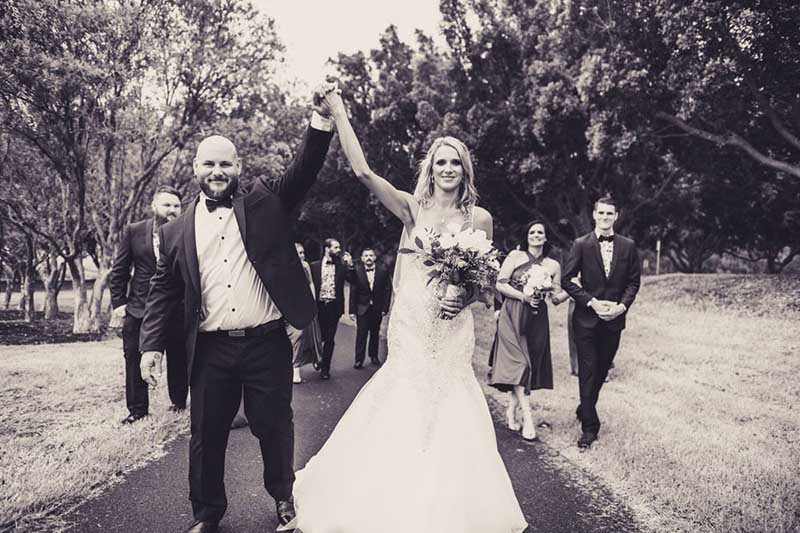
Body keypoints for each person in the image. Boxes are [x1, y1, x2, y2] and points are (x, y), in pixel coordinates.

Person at [285, 89, 527, 533]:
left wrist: (466, 297)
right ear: (430, 170)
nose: (448, 169)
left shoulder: (481, 220)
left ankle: (451, 509)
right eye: (441, 162)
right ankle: (388, 501)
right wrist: (337, 111)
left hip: (453, 329)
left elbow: (485, 284)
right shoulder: (412, 210)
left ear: (465, 170)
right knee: (405, 399)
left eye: (456, 162)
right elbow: (362, 172)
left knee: (451, 404)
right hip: (413, 324)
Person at [137, 82, 337, 533]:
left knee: (274, 427)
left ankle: (284, 498)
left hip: (265, 342)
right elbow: (163, 289)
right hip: (209, 350)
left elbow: (303, 171)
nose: (217, 170)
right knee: (206, 435)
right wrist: (150, 345)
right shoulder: (175, 232)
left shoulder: (265, 201)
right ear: (195, 168)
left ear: (238, 166)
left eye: (225, 163)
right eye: (209, 163)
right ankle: (207, 514)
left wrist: (321, 120)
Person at [561, 196, 641, 449]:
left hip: (614, 321)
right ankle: (589, 427)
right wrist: (592, 303)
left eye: (610, 214)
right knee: (587, 369)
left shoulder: (628, 246)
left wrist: (621, 307)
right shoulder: (580, 244)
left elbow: (633, 282)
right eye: (601, 213)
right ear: (594, 215)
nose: (605, 218)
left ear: (616, 216)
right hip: (586, 320)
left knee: (602, 370)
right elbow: (567, 280)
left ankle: (584, 406)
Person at [109, 185, 188, 424]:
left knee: (179, 357)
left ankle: (178, 402)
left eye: (176, 206)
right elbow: (119, 270)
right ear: (154, 206)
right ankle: (137, 411)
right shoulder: (134, 231)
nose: (171, 210)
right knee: (133, 358)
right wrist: (118, 303)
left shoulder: (187, 231)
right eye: (166, 205)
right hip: (139, 308)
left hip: (177, 308)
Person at [490, 221, 568, 441]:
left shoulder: (553, 265)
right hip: (512, 314)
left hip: (536, 319)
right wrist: (522, 296)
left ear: (545, 237)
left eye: (540, 232)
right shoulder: (514, 257)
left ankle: (511, 408)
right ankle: (528, 418)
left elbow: (556, 297)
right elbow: (500, 284)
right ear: (526, 236)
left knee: (528, 366)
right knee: (520, 363)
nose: (536, 235)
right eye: (532, 232)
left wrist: (573, 290)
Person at [309, 238, 353, 380]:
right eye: (336, 247)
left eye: (339, 247)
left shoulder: (341, 266)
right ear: (327, 249)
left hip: (334, 307)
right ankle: (317, 358)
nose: (339, 250)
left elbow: (353, 281)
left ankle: (325, 368)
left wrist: (350, 265)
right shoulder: (314, 266)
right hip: (318, 307)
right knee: (317, 337)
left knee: (329, 339)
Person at [347, 247, 391, 367]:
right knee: (361, 334)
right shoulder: (357, 271)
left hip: (377, 307)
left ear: (375, 258)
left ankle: (374, 356)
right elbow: (353, 292)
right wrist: (352, 311)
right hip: (362, 308)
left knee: (375, 332)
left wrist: (385, 308)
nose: (368, 258)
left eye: (371, 255)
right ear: (362, 258)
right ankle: (359, 359)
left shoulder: (383, 270)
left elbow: (388, 290)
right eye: (366, 256)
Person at [288, 242, 323, 383]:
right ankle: (289, 366)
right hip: (289, 304)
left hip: (303, 304)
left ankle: (296, 368)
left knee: (300, 335)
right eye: (299, 253)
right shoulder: (286, 267)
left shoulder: (306, 266)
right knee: (291, 337)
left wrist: (312, 302)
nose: (302, 256)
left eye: (303, 252)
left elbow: (310, 284)